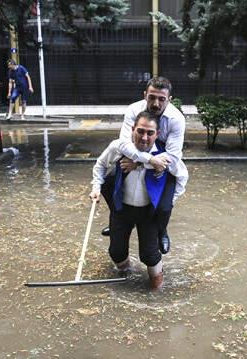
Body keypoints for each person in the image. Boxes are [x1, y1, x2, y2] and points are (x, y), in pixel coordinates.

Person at [90, 111, 188, 291]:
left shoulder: (165, 156)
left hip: (148, 212)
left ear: (157, 134)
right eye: (140, 131)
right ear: (133, 129)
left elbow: (182, 177)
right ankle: (125, 276)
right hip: (122, 209)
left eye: (150, 133)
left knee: (149, 255)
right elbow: (100, 165)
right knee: (116, 252)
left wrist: (169, 201)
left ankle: (157, 290)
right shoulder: (118, 147)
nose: (144, 137)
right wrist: (96, 187)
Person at [100, 77, 186, 256]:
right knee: (107, 184)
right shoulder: (133, 110)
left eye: (161, 99)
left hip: (162, 163)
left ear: (169, 100)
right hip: (134, 154)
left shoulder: (176, 119)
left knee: (163, 207)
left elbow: (172, 156)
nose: (156, 103)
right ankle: (116, 222)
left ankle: (162, 231)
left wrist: (139, 163)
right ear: (145, 95)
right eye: (152, 97)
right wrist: (146, 160)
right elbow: (124, 144)